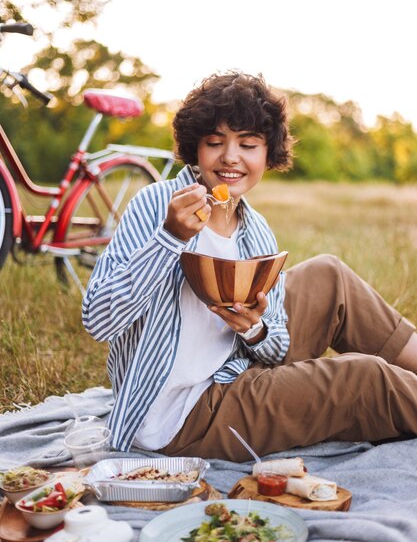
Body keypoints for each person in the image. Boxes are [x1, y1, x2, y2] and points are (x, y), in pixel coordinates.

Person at [82, 71, 417, 461]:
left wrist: (254, 328)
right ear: (195, 148)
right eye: (215, 142)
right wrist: (169, 238)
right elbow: (98, 321)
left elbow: (275, 349)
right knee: (365, 378)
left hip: (237, 366)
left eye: (248, 144)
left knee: (330, 274)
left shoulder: (256, 233)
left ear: (267, 154)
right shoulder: (156, 205)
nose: (230, 157)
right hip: (183, 416)